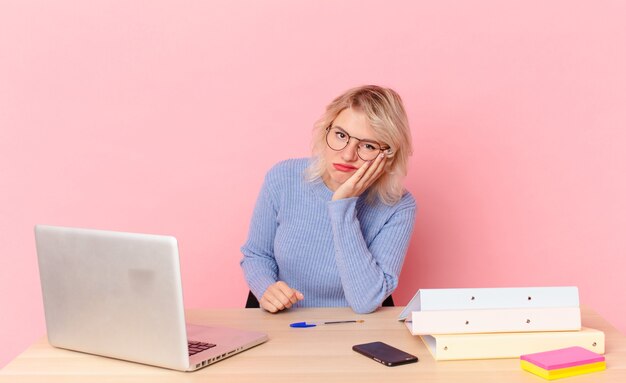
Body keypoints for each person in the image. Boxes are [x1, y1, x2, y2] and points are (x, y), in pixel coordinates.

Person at [240, 85, 416, 314]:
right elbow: (257, 255)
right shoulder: (283, 178)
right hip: (284, 324)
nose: (347, 154)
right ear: (327, 130)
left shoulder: (399, 206)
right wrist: (266, 288)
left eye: (368, 146)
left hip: (352, 331)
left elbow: (366, 300)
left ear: (388, 156)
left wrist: (343, 205)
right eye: (341, 135)